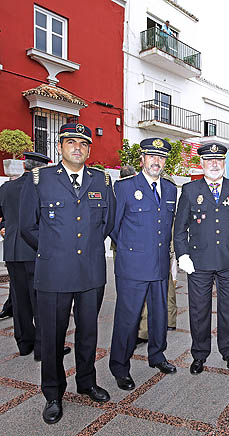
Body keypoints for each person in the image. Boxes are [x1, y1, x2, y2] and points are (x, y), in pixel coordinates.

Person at [20, 123, 116, 424]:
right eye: (71, 141)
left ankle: (86, 382)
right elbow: (27, 226)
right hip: (53, 272)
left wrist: (84, 248)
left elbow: (108, 223)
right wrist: (54, 250)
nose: (78, 147)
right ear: (59, 147)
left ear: (89, 149)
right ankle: (52, 393)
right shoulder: (39, 179)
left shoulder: (102, 180)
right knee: (52, 336)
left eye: (83, 143)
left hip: (90, 271)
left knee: (88, 333)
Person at [174, 143, 229, 374]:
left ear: (224, 163)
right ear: (202, 164)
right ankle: (199, 354)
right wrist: (183, 255)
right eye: (209, 161)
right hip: (199, 262)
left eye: (218, 160)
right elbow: (179, 229)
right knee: (199, 311)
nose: (214, 165)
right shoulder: (190, 190)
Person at [109, 138, 178, 391]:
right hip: (133, 267)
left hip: (159, 264)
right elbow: (113, 228)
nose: (156, 161)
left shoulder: (171, 189)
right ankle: (120, 367)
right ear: (142, 159)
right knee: (128, 319)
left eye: (161, 157)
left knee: (159, 316)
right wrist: (132, 252)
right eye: (151, 156)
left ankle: (157, 356)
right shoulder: (125, 187)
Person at [0, 151, 72, 362]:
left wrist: (4, 226)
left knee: (19, 298)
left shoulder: (6, 187)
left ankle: (24, 344)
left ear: (24, 166)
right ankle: (43, 348)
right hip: (36, 250)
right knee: (41, 301)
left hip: (13, 251)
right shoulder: (43, 187)